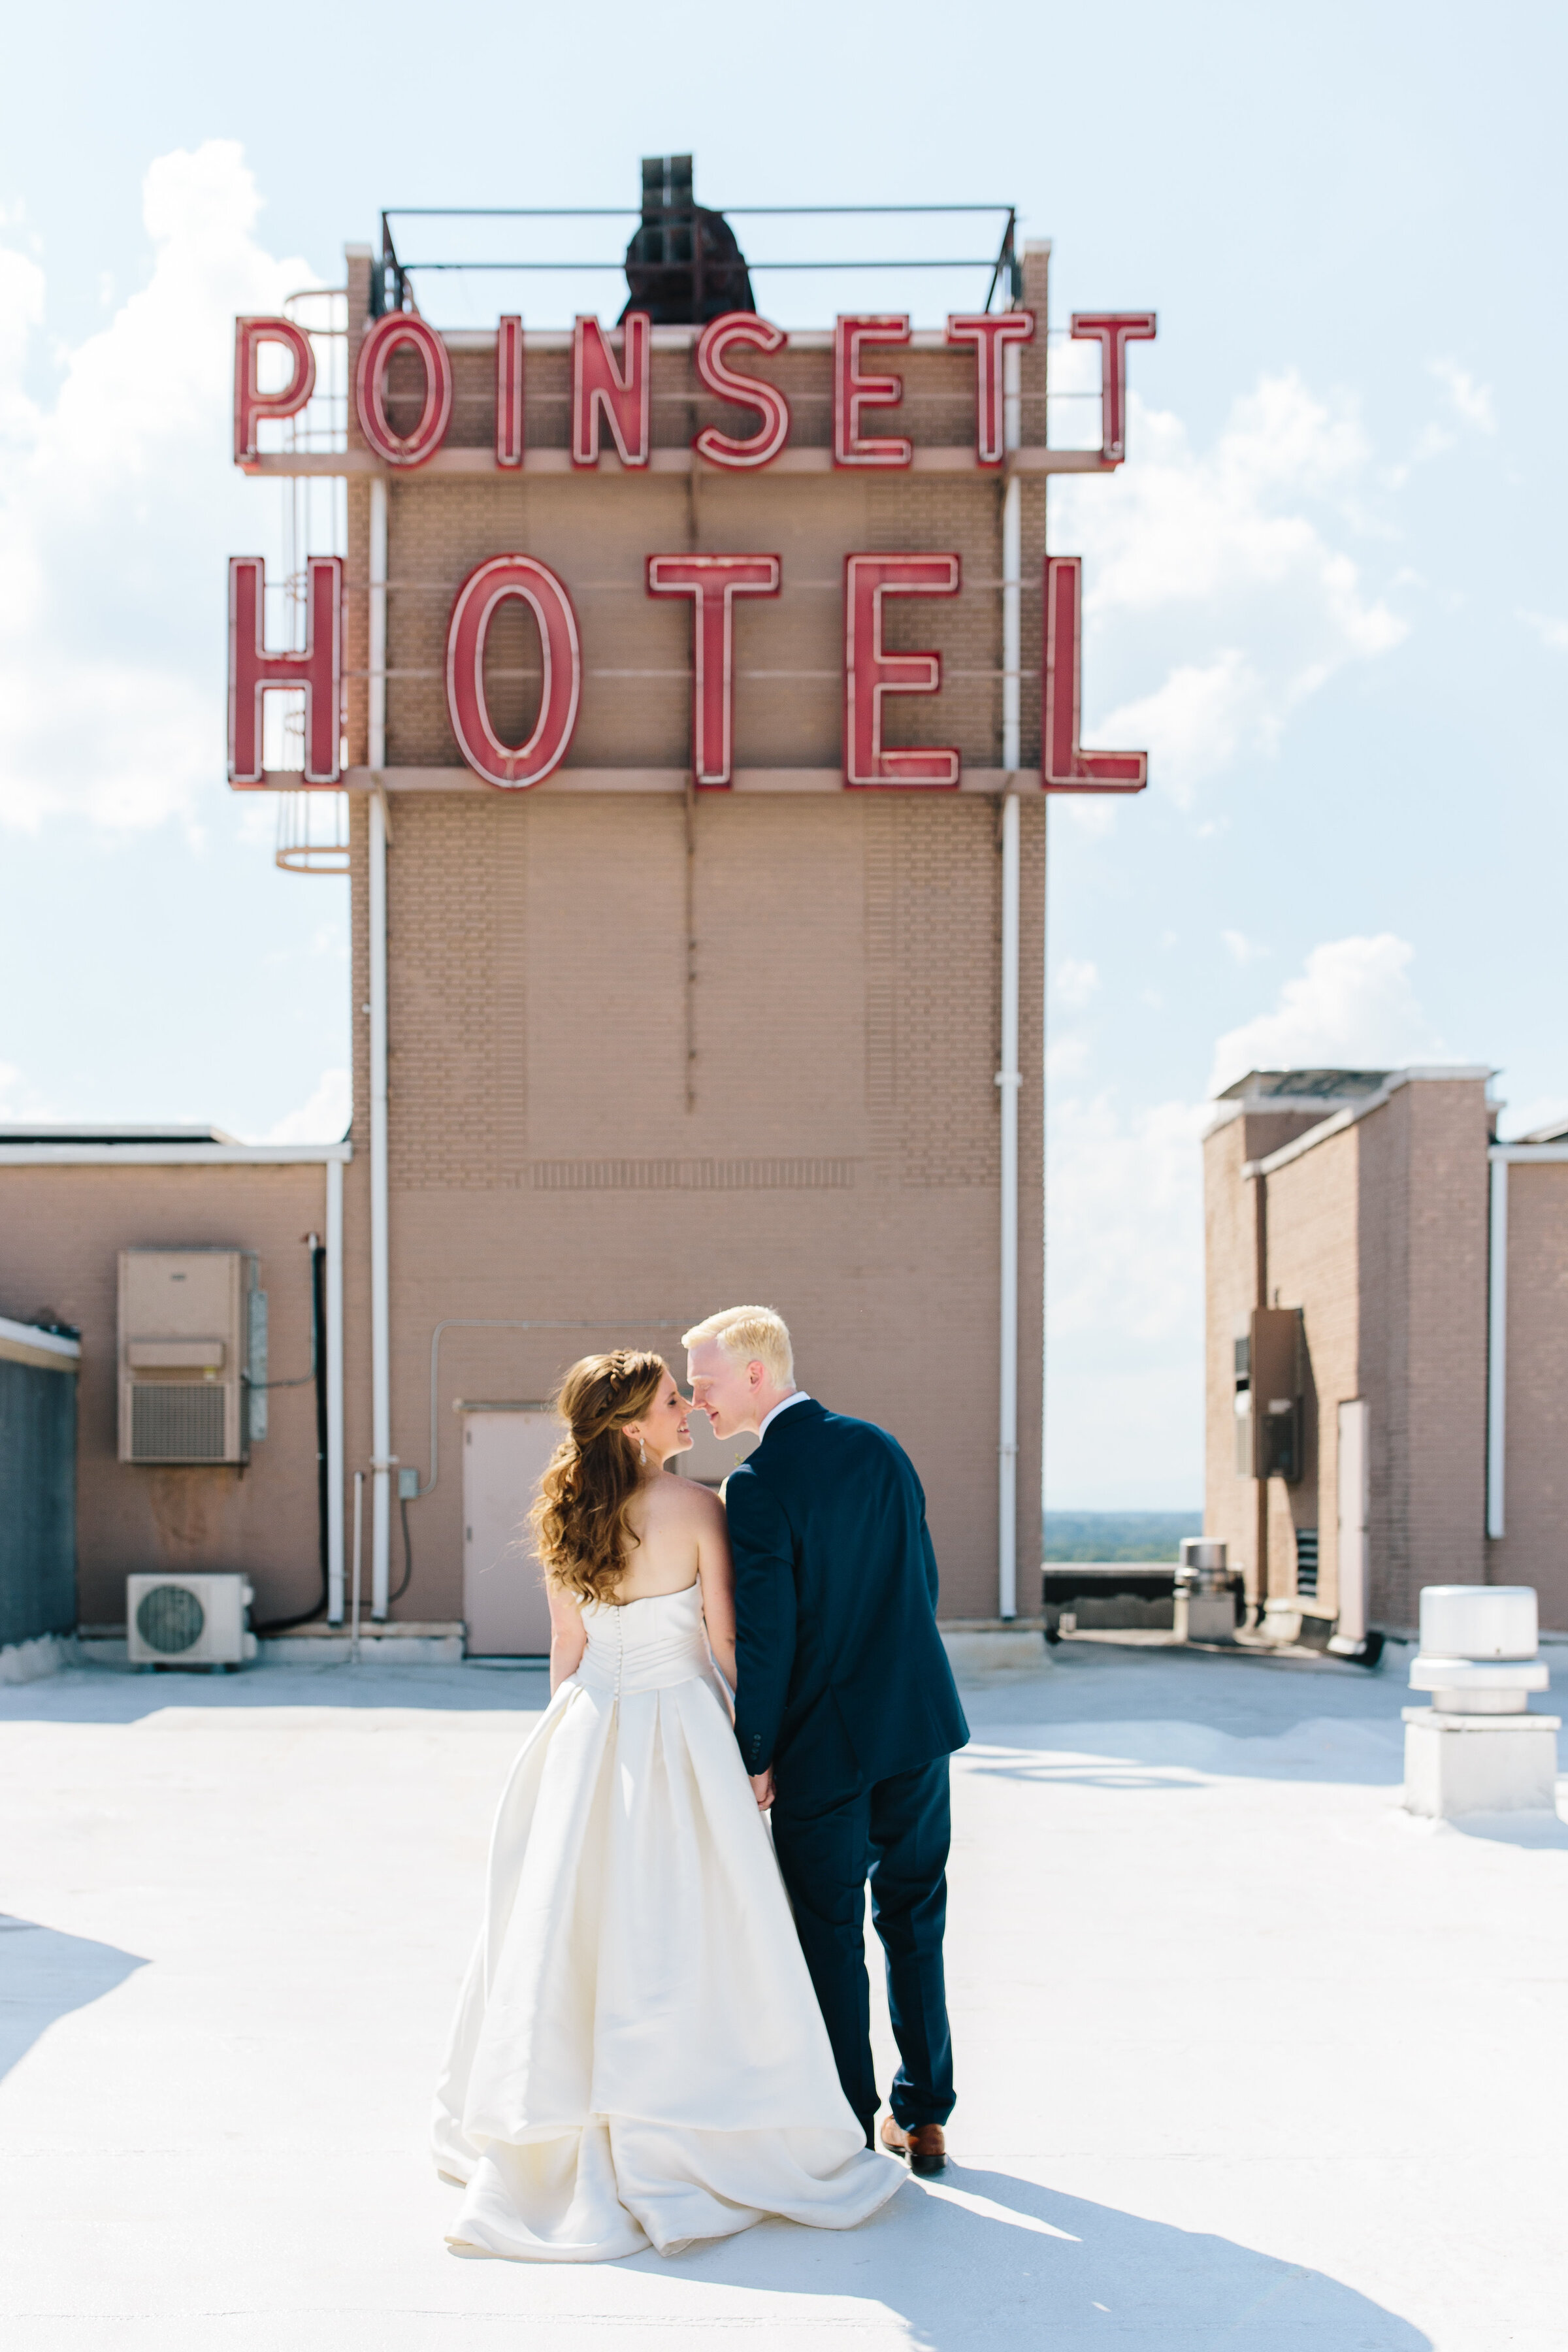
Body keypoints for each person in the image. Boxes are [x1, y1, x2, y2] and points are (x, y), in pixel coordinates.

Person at [432, 1348, 901, 2261]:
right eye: (671, 1401)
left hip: (587, 1723)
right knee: (695, 1922)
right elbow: (727, 1642)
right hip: (679, 1728)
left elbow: (566, 1649)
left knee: (576, 1924)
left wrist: (562, 1753)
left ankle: (564, 2115)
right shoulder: (698, 1509)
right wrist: (755, 1753)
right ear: (634, 1425)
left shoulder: (565, 1510)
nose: (688, 1409)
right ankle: (698, 2114)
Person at [683, 1307, 968, 2179]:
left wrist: (756, 1749)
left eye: (706, 1382)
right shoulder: (881, 1446)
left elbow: (769, 1638)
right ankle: (925, 2118)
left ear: (758, 1373)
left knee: (829, 1934)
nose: (696, 1402)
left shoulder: (758, 1485)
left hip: (823, 1749)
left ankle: (850, 2120)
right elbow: (922, 1579)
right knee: (916, 1920)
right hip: (916, 1724)